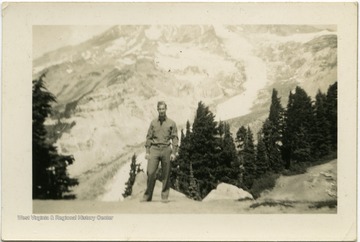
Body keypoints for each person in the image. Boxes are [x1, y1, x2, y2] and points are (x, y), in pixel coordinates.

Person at [141, 101, 178, 203]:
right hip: (154, 149)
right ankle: (147, 196)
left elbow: (175, 138)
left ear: (166, 109)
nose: (161, 111)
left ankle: (164, 196)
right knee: (151, 172)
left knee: (166, 174)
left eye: (163, 109)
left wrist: (174, 152)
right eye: (160, 109)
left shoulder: (171, 123)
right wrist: (147, 151)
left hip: (166, 149)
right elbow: (148, 137)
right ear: (157, 110)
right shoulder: (153, 123)